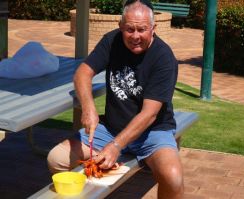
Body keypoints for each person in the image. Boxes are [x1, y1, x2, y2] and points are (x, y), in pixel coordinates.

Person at [47, 0, 183, 198]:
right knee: (56, 159)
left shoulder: (164, 58)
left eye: (142, 29)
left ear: (153, 28)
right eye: (129, 29)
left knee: (173, 177)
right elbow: (82, 73)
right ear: (120, 27)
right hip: (111, 129)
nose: (135, 36)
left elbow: (150, 114)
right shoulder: (112, 41)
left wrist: (116, 146)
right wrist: (88, 108)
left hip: (152, 132)